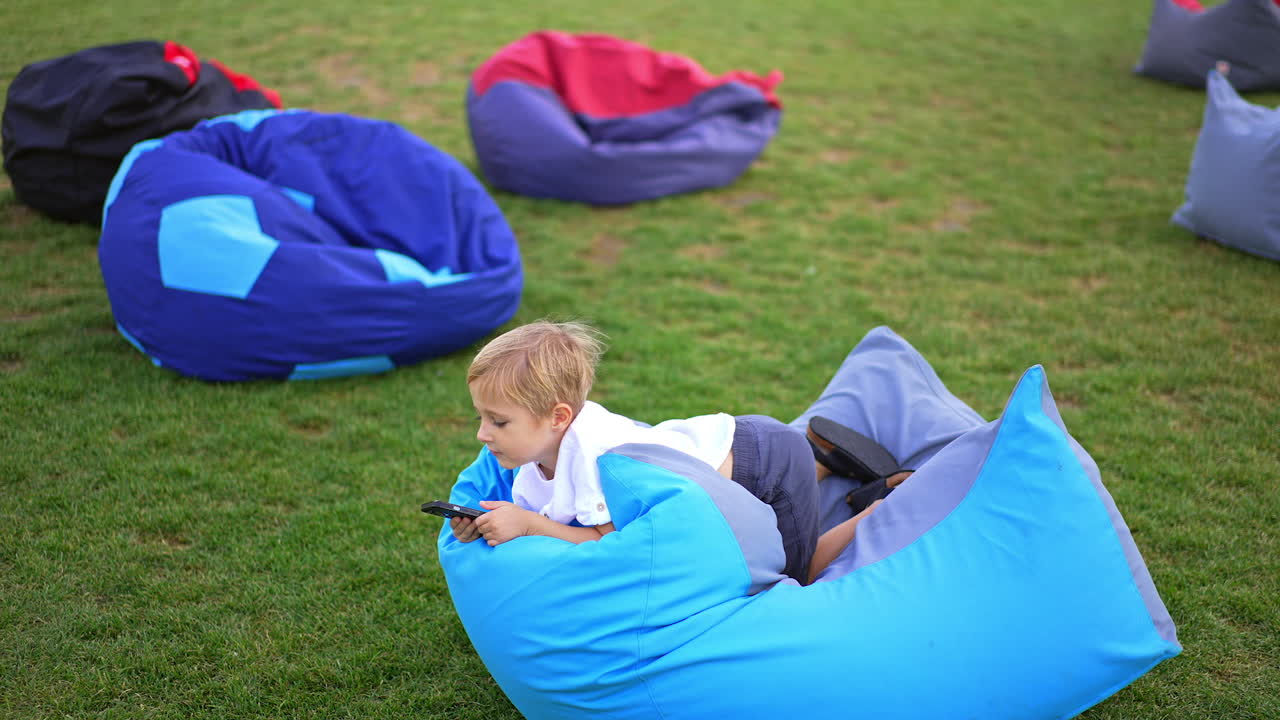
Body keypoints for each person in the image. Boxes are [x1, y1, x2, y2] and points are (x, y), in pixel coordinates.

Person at [449, 320, 909, 584]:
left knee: (794, 576)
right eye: (481, 418)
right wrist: (488, 523)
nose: (482, 435)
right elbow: (551, 522)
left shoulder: (597, 456)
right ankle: (822, 463)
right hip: (732, 452)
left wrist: (527, 524)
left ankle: (880, 506)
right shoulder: (536, 459)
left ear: (558, 417)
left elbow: (607, 542)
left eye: (498, 422)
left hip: (767, 466)